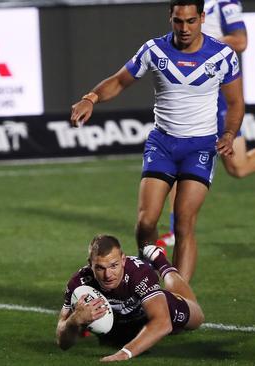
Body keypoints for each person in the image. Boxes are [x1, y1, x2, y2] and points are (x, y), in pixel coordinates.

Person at [70, 0, 244, 282]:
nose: (184, 28)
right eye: (178, 21)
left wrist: (228, 134)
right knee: (145, 222)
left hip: (200, 147)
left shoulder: (223, 55)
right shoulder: (154, 50)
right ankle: (149, 282)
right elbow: (119, 81)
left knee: (184, 222)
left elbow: (236, 104)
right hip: (162, 145)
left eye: (190, 21)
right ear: (170, 18)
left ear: (201, 17)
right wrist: (91, 98)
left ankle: (180, 297)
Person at [159, 0, 255, 247]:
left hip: (217, 91)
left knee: (238, 167)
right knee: (178, 150)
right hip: (189, 87)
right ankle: (174, 230)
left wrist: (203, 43)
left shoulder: (224, 3)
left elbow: (240, 41)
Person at [56, 234, 204, 361]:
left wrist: (125, 353)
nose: (108, 275)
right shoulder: (78, 284)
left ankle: (162, 263)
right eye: (100, 268)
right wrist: (74, 320)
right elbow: (62, 343)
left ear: (123, 260)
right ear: (90, 264)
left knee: (195, 319)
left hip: (145, 314)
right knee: (113, 341)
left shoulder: (139, 273)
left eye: (114, 266)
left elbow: (162, 323)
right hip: (120, 324)